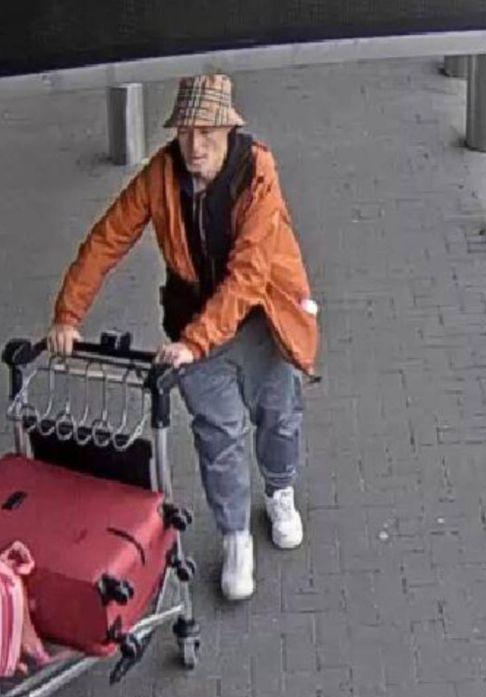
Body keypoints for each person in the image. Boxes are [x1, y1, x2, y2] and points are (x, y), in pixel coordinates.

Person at [45, 73, 320, 601]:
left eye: (207, 133)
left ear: (228, 130)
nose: (194, 146)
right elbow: (108, 238)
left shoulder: (258, 172)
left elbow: (250, 273)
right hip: (193, 321)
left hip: (262, 316)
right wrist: (68, 314)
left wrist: (195, 341)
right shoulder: (160, 175)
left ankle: (280, 488)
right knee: (219, 433)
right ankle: (236, 534)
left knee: (278, 414)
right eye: (186, 132)